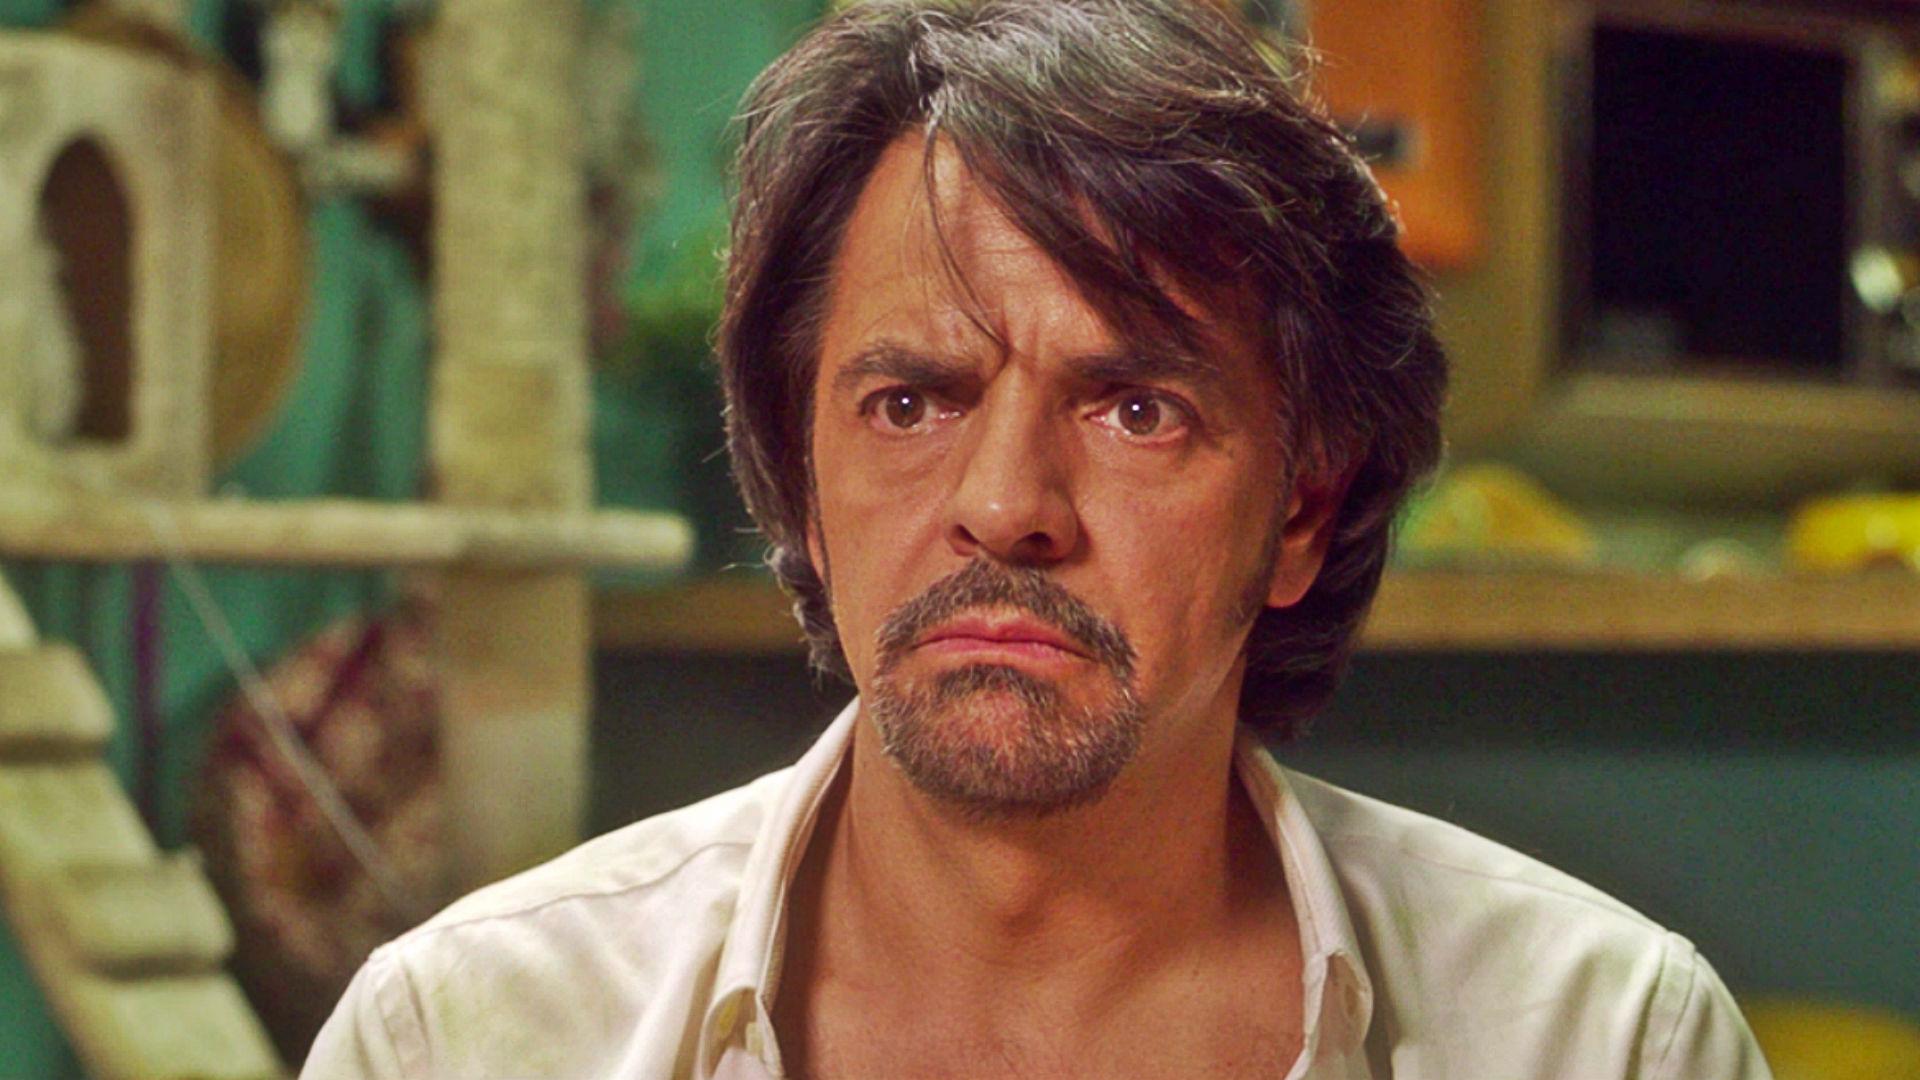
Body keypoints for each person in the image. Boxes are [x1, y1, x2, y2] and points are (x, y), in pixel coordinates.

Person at [306, 1, 1772, 1076]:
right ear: (805, 487)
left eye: (1136, 409)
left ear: (1301, 510)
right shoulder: (464, 1039)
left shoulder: (1604, 1041)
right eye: (909, 402)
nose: (1006, 503)